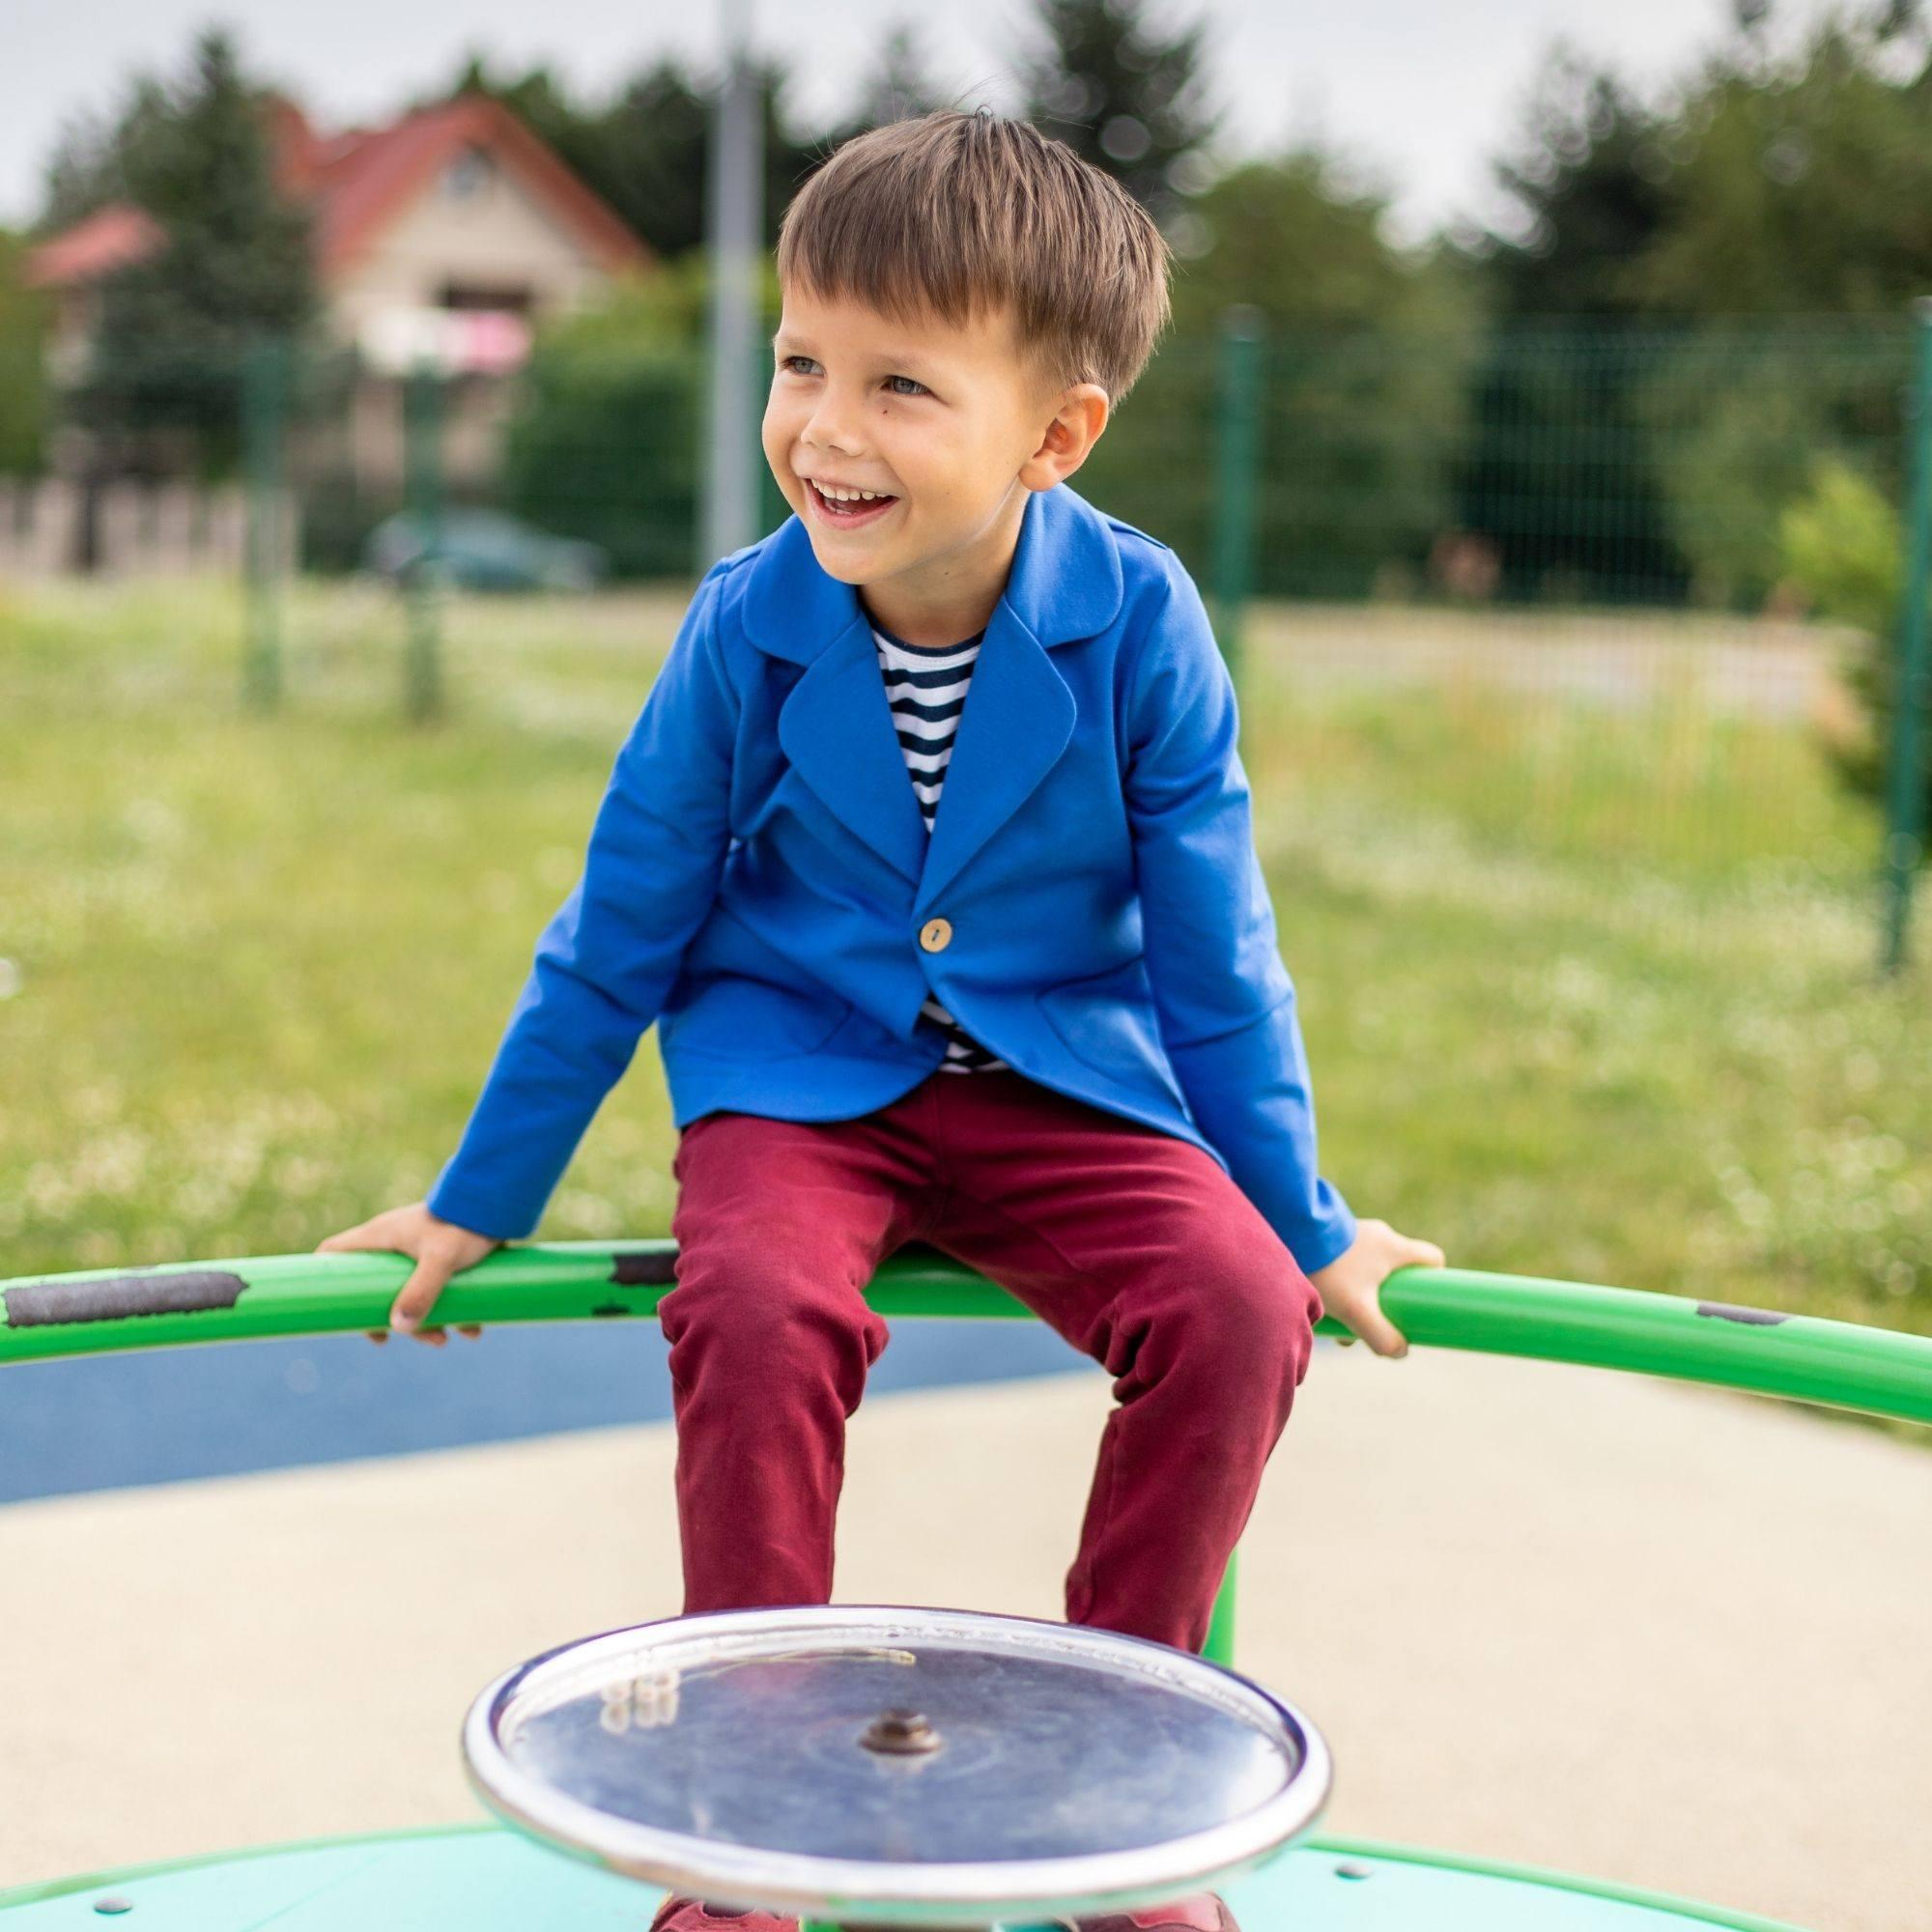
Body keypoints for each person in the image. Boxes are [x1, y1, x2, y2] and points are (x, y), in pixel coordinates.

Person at [318, 105, 1443, 1932]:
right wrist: (480, 1195)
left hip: (1066, 1086)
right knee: (756, 1305)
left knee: (1235, 1310)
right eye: (799, 363)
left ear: (1056, 435)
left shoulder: (1141, 625)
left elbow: (1214, 949)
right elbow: (620, 925)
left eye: (901, 386)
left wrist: (1306, 1225)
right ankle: (749, 1823)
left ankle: (1120, 1774)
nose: (825, 431)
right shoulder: (745, 631)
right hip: (801, 1083)